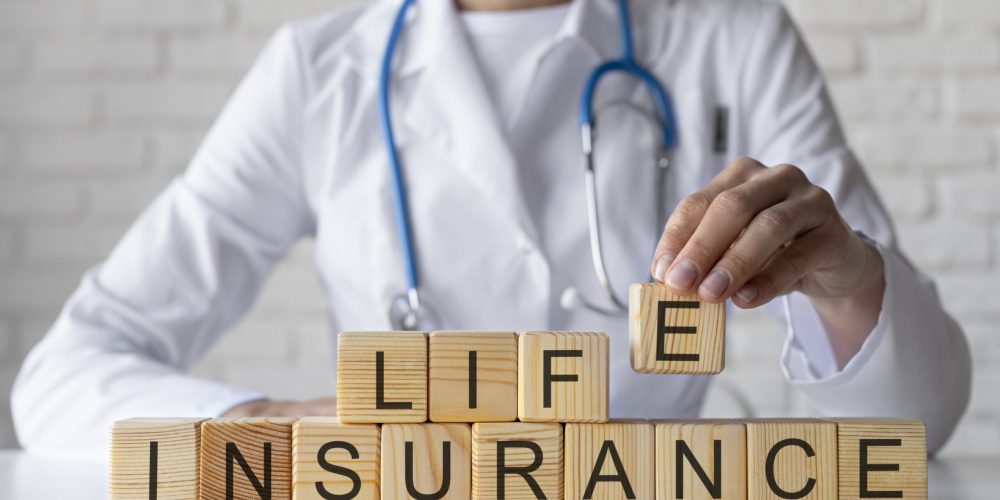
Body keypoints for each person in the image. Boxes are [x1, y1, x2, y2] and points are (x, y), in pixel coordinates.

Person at [12, 0, 970, 458]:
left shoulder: (731, 36)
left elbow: (912, 426)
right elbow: (61, 377)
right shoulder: (317, 73)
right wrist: (270, 428)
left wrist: (849, 282)